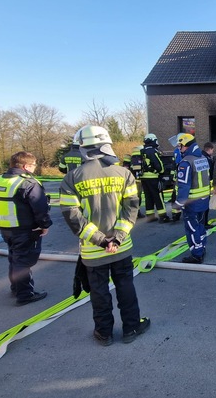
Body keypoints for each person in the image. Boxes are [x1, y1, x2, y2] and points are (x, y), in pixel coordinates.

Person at [60, 125, 150, 346]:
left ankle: (104, 333)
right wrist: (116, 238)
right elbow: (131, 209)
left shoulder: (72, 178)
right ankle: (131, 328)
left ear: (82, 147)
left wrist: (100, 240)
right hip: (121, 247)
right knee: (126, 287)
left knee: (99, 292)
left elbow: (73, 216)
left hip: (93, 251)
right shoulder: (124, 173)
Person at [0, 151, 51, 304]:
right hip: (26, 230)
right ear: (26, 166)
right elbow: (40, 208)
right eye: (34, 165)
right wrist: (44, 225)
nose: (35, 168)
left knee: (14, 257)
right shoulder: (28, 183)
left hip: (6, 229)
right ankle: (25, 294)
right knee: (23, 261)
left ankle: (16, 287)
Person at [171, 133, 211, 264]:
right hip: (204, 200)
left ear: (185, 145)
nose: (179, 148)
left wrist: (177, 204)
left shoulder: (186, 162)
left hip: (191, 203)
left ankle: (196, 254)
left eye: (180, 146)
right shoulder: (203, 158)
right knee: (200, 226)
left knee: (191, 228)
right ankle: (202, 247)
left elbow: (184, 186)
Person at [140, 134, 170, 223]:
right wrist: (162, 171)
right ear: (153, 140)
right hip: (153, 177)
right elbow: (159, 166)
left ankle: (150, 216)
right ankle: (163, 216)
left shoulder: (142, 151)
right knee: (158, 196)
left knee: (148, 196)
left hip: (143, 178)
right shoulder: (152, 151)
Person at [201, 142, 214, 227]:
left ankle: (202, 222)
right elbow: (211, 172)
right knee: (205, 205)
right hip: (204, 185)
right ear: (209, 149)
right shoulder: (207, 159)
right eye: (213, 150)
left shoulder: (200, 157)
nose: (213, 151)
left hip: (199, 185)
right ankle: (204, 223)